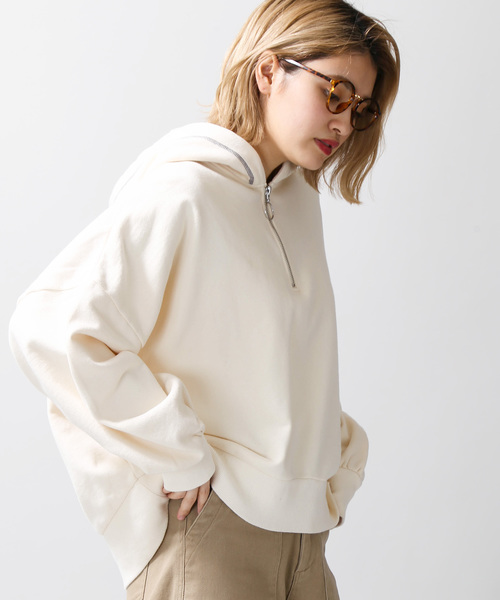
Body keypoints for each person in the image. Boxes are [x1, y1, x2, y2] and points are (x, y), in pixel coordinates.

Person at [9, 0, 400, 598]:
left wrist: (334, 464)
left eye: (361, 109)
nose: (345, 124)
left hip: (305, 543)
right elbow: (51, 328)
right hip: (212, 537)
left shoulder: (298, 203)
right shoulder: (184, 190)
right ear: (269, 71)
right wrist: (176, 454)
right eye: (335, 93)